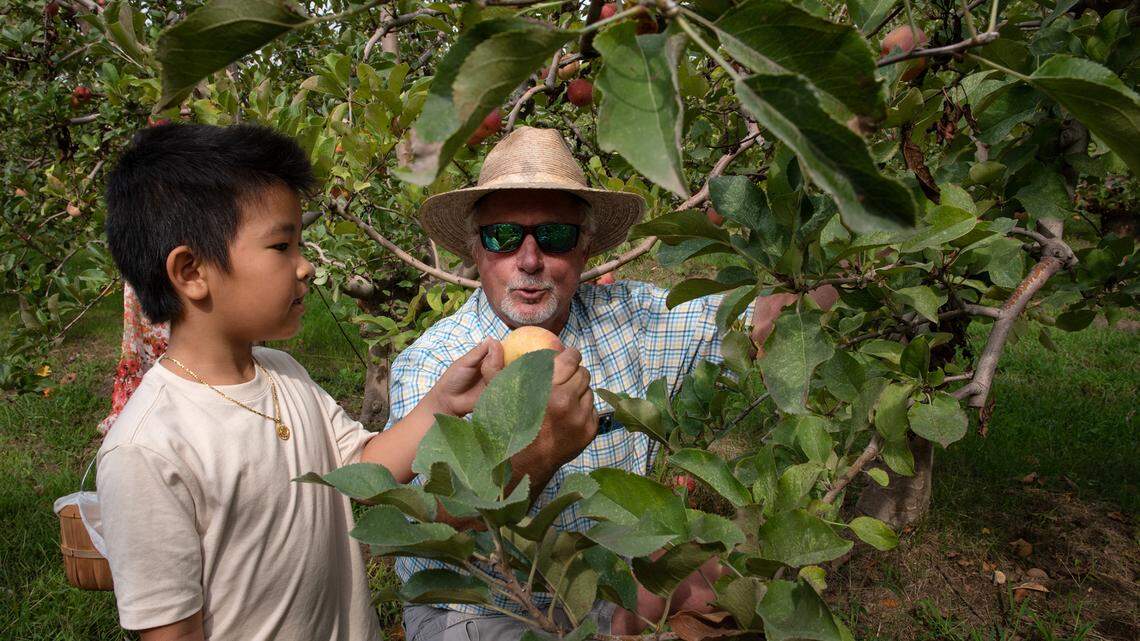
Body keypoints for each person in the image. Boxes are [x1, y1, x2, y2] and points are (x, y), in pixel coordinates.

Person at [387, 126, 837, 641]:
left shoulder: (630, 319)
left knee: (753, 587)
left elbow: (762, 321)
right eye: (503, 236)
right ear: (476, 251)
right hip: (486, 605)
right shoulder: (435, 364)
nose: (529, 260)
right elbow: (430, 525)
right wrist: (537, 454)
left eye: (554, 236)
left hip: (605, 583)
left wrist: (827, 259)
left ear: (584, 249)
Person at [96, 123, 500, 641]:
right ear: (192, 272)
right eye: (282, 245)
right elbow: (171, 632)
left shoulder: (283, 374)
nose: (305, 266)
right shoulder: (147, 451)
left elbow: (363, 471)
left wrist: (443, 402)